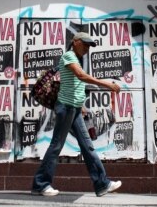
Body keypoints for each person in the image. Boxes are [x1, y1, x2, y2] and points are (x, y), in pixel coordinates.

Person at [32, 32, 122, 197]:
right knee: (56, 145)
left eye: (90, 45)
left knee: (87, 146)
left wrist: (81, 106)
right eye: (85, 44)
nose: (87, 48)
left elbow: (73, 84)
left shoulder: (78, 59)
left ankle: (102, 184)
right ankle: (41, 184)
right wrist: (108, 85)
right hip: (65, 108)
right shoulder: (68, 56)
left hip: (74, 108)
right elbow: (81, 76)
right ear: (75, 42)